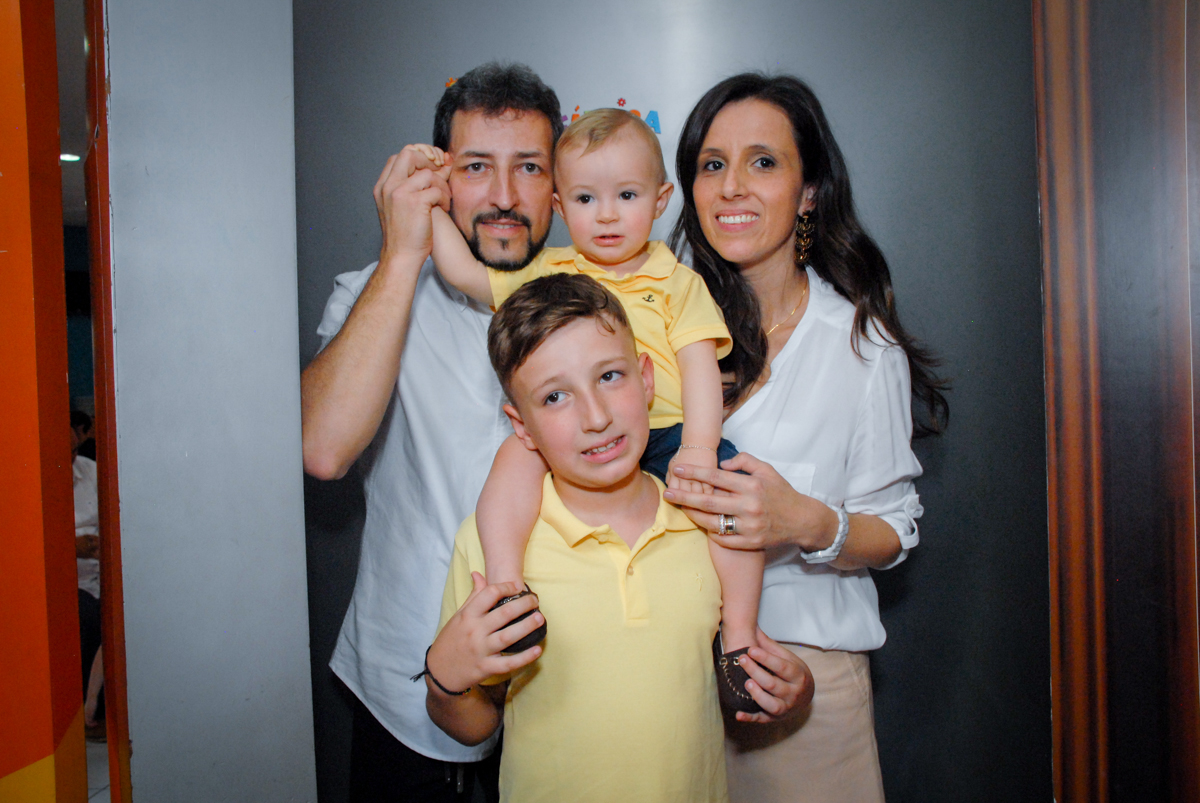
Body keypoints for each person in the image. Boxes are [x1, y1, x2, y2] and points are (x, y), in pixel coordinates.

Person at [303, 63, 811, 801]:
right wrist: (406, 247)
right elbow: (323, 448)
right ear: (443, 179)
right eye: (475, 168)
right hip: (424, 686)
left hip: (590, 692)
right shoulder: (380, 293)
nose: (504, 195)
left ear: (557, 187)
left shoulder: (623, 293)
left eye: (529, 169)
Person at [663, 74, 949, 803]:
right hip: (655, 686)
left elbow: (894, 530)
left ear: (811, 189)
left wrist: (805, 522)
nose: (732, 186)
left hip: (798, 691)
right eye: (711, 163)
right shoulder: (647, 327)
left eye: (763, 161)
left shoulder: (859, 346)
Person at [418, 108, 765, 680]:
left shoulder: (677, 281)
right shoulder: (550, 271)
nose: (605, 215)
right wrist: (427, 204)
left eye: (625, 195)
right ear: (558, 206)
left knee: (733, 512)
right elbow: (462, 272)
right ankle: (508, 590)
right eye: (584, 200)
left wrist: (700, 450)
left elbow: (701, 368)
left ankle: (739, 641)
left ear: (659, 200)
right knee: (513, 458)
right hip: (576, 438)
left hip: (674, 433)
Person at [424, 274, 798, 801]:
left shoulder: (708, 528)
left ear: (646, 380)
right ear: (521, 426)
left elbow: (721, 689)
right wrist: (444, 680)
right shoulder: (492, 543)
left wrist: (786, 689)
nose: (595, 417)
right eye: (555, 397)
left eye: (610, 377)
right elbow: (473, 726)